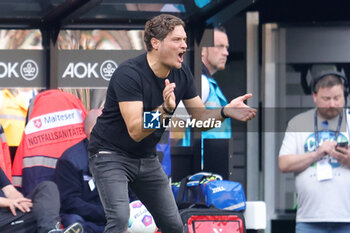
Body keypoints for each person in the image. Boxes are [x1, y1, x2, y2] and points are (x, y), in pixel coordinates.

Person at [88, 14, 256, 233]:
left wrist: (225, 111)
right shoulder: (128, 74)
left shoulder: (182, 73)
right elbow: (136, 131)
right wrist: (165, 109)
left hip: (145, 158)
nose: (184, 45)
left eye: (185, 40)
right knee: (119, 218)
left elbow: (202, 119)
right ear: (155, 43)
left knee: (174, 225)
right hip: (110, 155)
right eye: (177, 40)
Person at [279, 70, 350, 233]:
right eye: (326, 99)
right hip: (309, 219)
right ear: (315, 97)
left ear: (344, 95)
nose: (332, 104)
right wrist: (316, 154)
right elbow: (283, 164)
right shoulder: (298, 123)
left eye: (337, 98)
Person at [55, 109, 105, 233]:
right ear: (93, 131)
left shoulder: (121, 154)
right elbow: (70, 203)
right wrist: (106, 212)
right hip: (84, 218)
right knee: (75, 223)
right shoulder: (70, 160)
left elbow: (132, 191)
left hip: (118, 216)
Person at [0, 167, 83, 233]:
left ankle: (50, 230)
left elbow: (9, 190)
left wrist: (21, 202)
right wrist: (8, 202)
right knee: (43, 217)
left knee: (47, 187)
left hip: (9, 214)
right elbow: (8, 200)